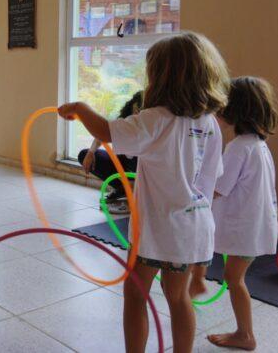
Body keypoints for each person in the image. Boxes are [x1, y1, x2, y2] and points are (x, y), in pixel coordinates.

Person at [58, 32, 230, 353]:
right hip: (192, 224)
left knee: (136, 293)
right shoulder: (209, 123)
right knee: (178, 297)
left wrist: (79, 108)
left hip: (158, 227)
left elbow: (107, 131)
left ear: (160, 77)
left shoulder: (155, 119)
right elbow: (212, 177)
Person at [190, 76, 278, 351]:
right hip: (256, 225)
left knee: (233, 278)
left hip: (245, 228)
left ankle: (245, 334)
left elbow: (217, 188)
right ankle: (199, 282)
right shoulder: (257, 145)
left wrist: (190, 197)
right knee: (233, 276)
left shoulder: (239, 147)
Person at [78, 91, 142, 214]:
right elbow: (102, 134)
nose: (136, 114)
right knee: (84, 155)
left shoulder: (150, 127)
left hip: (141, 174)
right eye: (135, 110)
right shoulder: (125, 122)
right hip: (124, 169)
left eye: (140, 111)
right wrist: (91, 153)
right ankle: (124, 188)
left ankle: (134, 188)